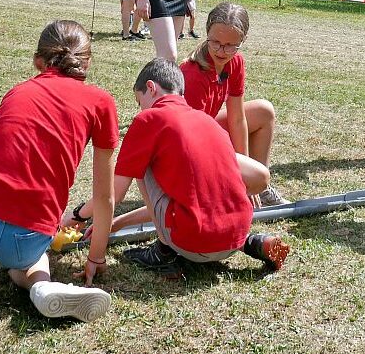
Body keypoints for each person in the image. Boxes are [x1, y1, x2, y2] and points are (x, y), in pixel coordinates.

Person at [0, 21, 118, 323]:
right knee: (29, 256)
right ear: (87, 61)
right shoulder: (101, 102)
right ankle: (41, 286)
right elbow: (104, 197)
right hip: (26, 237)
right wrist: (96, 257)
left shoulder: (17, 92)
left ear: (38, 61)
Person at [78, 58, 290, 276]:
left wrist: (78, 215)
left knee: (141, 162)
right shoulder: (207, 121)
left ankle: (163, 251)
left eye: (139, 101)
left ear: (151, 87)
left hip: (194, 242)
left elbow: (115, 193)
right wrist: (118, 223)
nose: (140, 108)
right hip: (236, 233)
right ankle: (254, 243)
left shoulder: (148, 120)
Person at [181, 1, 286, 206]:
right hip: (186, 144)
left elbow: (237, 118)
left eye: (230, 45)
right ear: (207, 34)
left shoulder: (235, 62)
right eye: (215, 42)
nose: (221, 51)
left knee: (264, 111)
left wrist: (248, 174)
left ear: (243, 40)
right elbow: (192, 138)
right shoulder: (192, 75)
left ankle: (260, 189)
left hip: (206, 132)